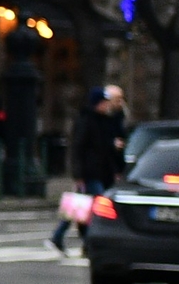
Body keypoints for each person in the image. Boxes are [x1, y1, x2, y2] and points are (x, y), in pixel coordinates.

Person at [51, 86, 127, 254]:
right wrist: (78, 174)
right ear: (97, 103)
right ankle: (88, 243)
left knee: (81, 207)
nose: (107, 105)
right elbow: (79, 148)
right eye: (104, 102)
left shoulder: (103, 120)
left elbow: (103, 147)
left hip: (100, 172)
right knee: (97, 207)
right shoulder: (86, 121)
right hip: (90, 172)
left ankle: (62, 237)